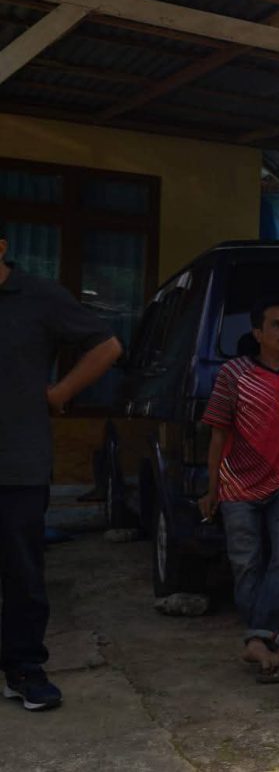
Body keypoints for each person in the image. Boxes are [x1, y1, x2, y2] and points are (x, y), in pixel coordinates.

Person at [0, 220, 122, 711]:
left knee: (22, 574)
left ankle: (24, 668)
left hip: (19, 460)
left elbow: (107, 345)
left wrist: (61, 392)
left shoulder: (38, 296)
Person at [199, 299, 279, 684]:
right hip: (237, 483)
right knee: (246, 563)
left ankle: (260, 639)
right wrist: (211, 488)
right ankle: (270, 644)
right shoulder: (234, 373)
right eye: (276, 324)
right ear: (258, 334)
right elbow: (218, 432)